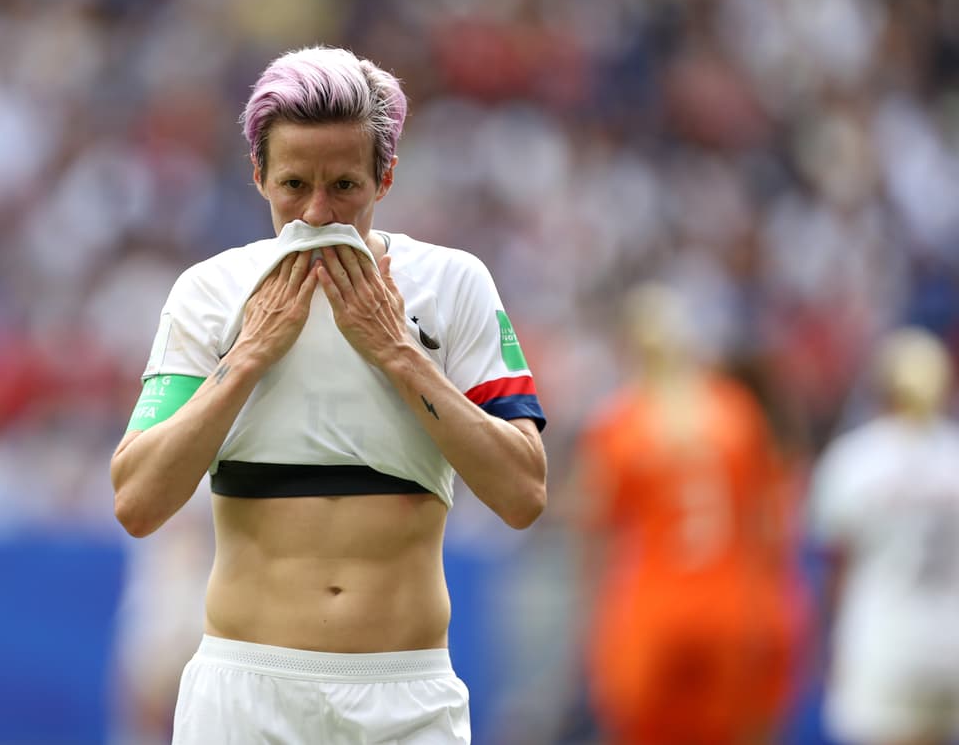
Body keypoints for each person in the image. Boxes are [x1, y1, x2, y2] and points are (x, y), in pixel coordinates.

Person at [109, 45, 548, 743]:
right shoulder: (210, 292)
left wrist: (398, 351)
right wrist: (250, 354)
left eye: (344, 185)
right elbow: (136, 500)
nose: (316, 212)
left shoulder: (454, 283)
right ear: (257, 175)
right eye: (293, 185)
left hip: (406, 695)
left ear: (386, 176)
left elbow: (524, 492)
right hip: (246, 693)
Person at [573, 282, 797, 745]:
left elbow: (592, 532)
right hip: (732, 608)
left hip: (653, 609)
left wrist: (591, 625)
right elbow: (771, 525)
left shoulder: (622, 423)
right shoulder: (737, 412)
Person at [809, 326, 959, 745]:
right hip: (951, 639)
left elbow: (834, 564)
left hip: (882, 638)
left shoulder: (856, 460)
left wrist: (828, 644)